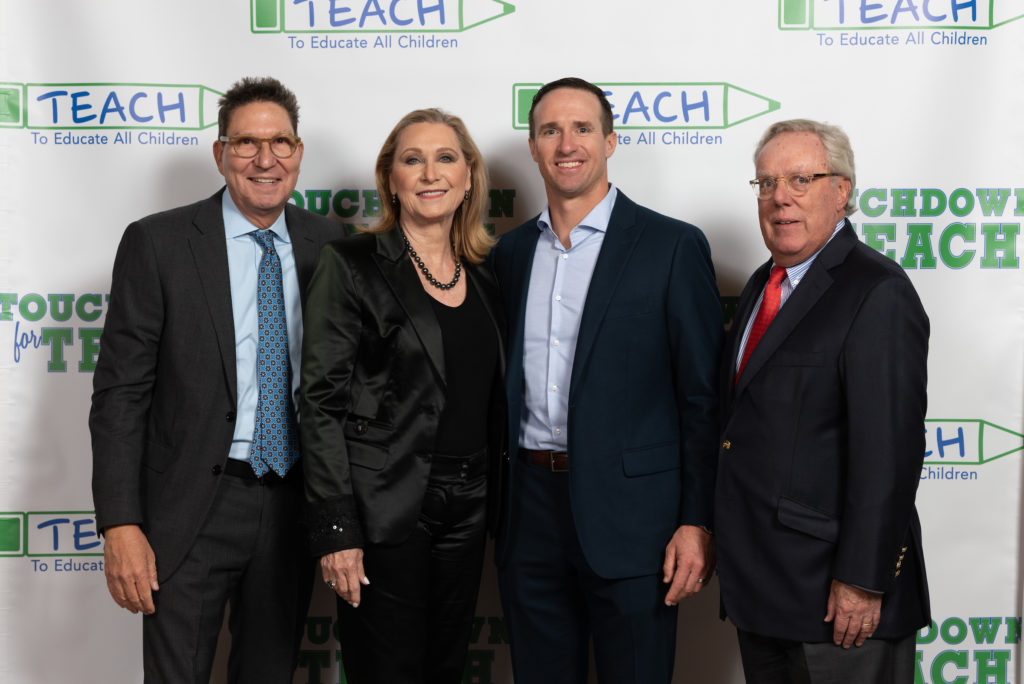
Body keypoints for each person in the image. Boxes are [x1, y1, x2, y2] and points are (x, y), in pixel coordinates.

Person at [89, 76, 343, 683]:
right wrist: (120, 524)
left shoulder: (331, 245)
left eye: (280, 142)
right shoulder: (160, 242)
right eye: (246, 143)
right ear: (220, 153)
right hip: (189, 507)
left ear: (299, 152)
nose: (265, 159)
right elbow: (120, 396)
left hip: (292, 501)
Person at [489, 77, 723, 684]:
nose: (567, 143)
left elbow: (701, 399)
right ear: (534, 148)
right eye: (549, 130)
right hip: (529, 513)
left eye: (582, 128)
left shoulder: (672, 246)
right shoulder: (508, 255)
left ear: (611, 141)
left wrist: (696, 521)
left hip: (637, 522)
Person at [715, 119, 930, 684]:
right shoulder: (767, 284)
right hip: (766, 591)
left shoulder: (876, 290)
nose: (779, 196)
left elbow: (890, 453)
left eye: (800, 179)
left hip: (839, 602)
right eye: (765, 183)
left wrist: (862, 580)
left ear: (842, 191)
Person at [299, 108, 506, 684]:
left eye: (445, 158)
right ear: (390, 178)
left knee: (445, 668)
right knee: (386, 670)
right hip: (384, 505)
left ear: (469, 178)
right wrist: (337, 529)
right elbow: (319, 402)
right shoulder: (352, 264)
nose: (429, 173)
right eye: (412, 159)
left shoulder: (487, 275)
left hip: (469, 504)